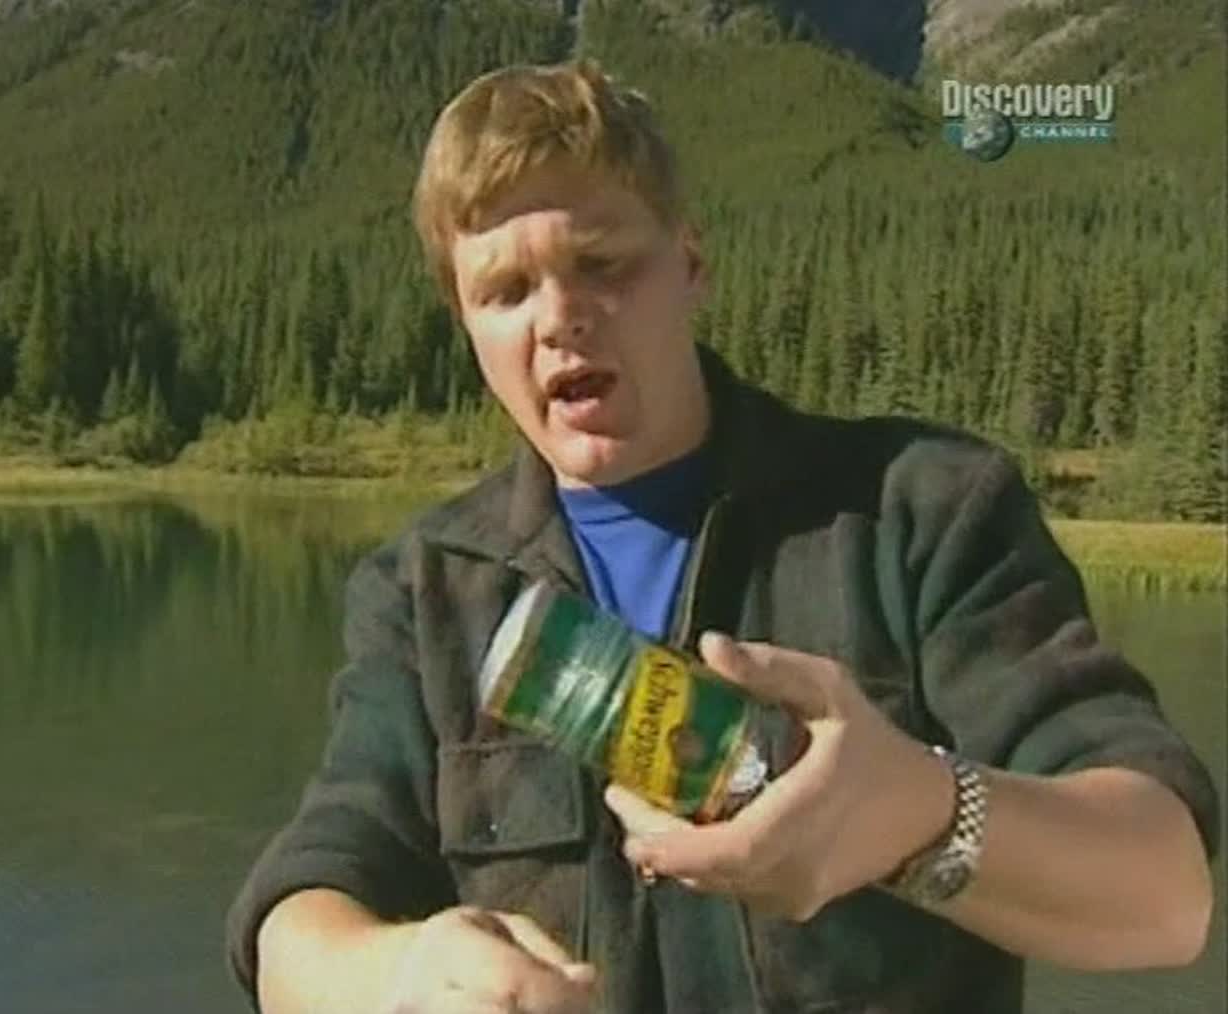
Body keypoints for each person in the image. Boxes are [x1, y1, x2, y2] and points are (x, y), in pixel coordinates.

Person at [226, 58, 1219, 1014]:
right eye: (505, 291)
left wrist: (918, 813)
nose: (559, 317)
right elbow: (306, 905)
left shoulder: (920, 510)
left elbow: (1165, 896)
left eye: (601, 264)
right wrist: (392, 975)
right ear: (465, 320)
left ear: (689, 264)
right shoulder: (425, 590)